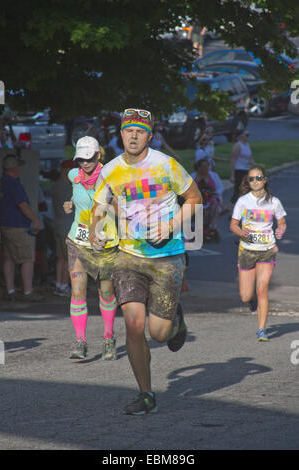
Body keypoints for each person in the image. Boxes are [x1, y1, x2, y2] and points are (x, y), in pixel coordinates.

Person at [89, 108, 202, 415]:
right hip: (128, 258)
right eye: (129, 131)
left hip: (167, 258)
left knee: (159, 334)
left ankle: (175, 321)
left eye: (140, 131)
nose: (134, 135)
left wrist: (171, 225)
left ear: (149, 136)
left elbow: (195, 199)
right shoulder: (111, 169)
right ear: (121, 134)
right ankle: (146, 393)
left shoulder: (166, 165)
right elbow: (100, 206)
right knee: (134, 326)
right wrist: (95, 232)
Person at [63, 136, 119, 361]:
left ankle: (108, 337)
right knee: (78, 291)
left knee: (106, 292)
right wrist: (71, 203)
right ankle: (80, 341)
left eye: (88, 159)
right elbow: (78, 197)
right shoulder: (72, 176)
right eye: (80, 160)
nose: (84, 164)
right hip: (78, 239)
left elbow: (119, 207)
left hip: (105, 243)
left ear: (98, 156)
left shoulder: (112, 177)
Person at [230, 166, 287, 341]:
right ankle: (251, 299)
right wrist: (241, 233)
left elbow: (282, 222)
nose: (255, 181)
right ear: (248, 182)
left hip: (266, 250)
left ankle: (262, 329)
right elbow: (233, 225)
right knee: (246, 295)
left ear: (265, 179)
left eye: (258, 178)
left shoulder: (274, 202)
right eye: (251, 179)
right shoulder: (243, 201)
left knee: (262, 288)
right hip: (247, 251)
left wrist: (280, 230)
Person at [0, 154, 44, 302]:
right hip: (16, 226)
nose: (19, 168)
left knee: (9, 258)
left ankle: (10, 291)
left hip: (5, 225)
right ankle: (28, 292)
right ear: (13, 168)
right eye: (18, 166)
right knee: (27, 258)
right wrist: (35, 220)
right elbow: (23, 205)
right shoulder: (14, 184)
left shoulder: (2, 182)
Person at [51, 160, 77, 296]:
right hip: (67, 227)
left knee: (60, 258)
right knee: (68, 258)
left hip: (58, 225)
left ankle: (59, 284)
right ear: (65, 171)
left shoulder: (56, 186)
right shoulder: (67, 188)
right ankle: (65, 285)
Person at [193, 159, 220, 242]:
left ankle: (213, 225)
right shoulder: (193, 176)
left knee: (214, 204)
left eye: (207, 166)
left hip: (210, 197)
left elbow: (219, 188)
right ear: (199, 167)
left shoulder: (213, 176)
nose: (206, 168)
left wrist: (214, 193)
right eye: (203, 166)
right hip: (198, 198)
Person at [230, 130, 256, 204]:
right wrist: (232, 175)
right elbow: (233, 160)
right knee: (238, 190)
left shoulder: (247, 145)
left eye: (248, 135)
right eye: (246, 135)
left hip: (246, 170)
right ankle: (233, 209)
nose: (248, 137)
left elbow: (250, 159)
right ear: (241, 136)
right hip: (239, 170)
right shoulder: (237, 146)